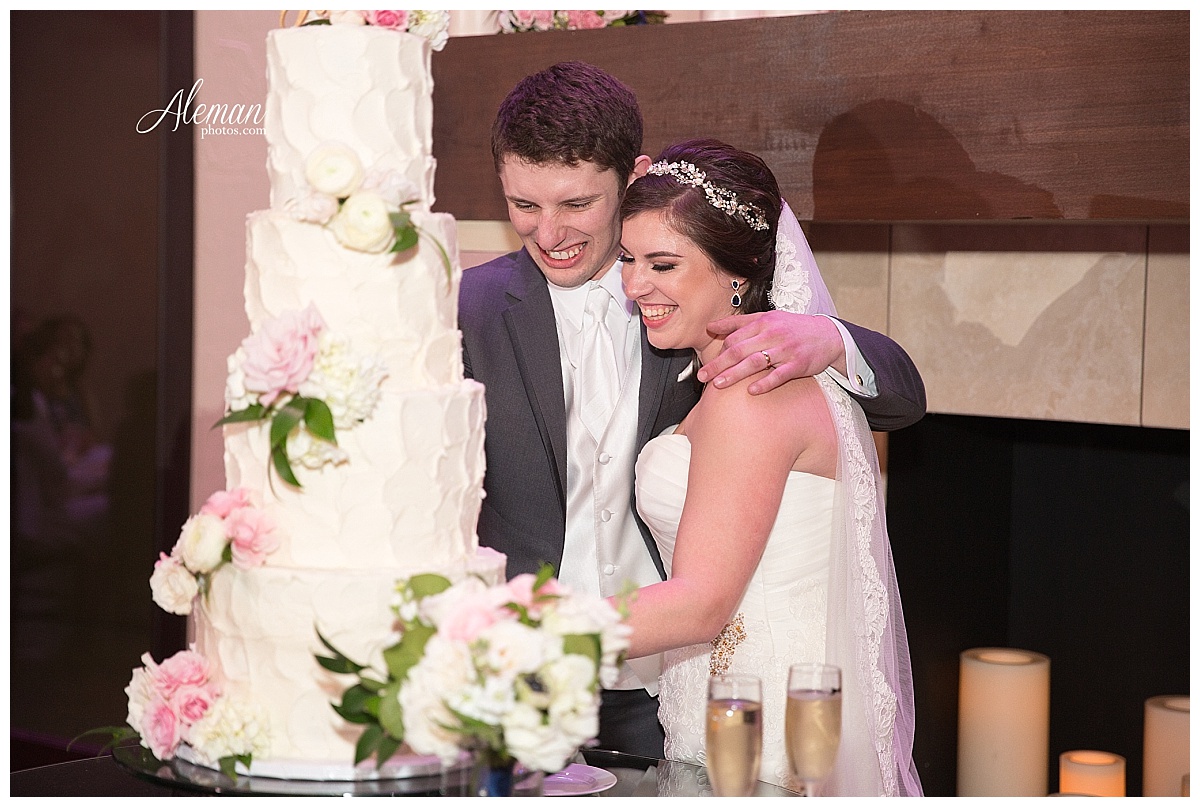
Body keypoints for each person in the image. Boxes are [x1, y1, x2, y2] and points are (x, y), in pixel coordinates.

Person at [457, 61, 925, 759]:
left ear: (634, 175)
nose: (547, 231)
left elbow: (901, 395)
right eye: (523, 204)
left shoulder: (699, 300)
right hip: (517, 695)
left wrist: (828, 338)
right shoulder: (468, 307)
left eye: (577, 204)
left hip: (669, 689)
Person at [614, 139, 921, 795]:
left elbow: (701, 603)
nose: (635, 284)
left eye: (662, 263)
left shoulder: (750, 393)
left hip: (766, 733)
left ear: (737, 272)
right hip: (721, 710)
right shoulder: (734, 373)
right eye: (628, 258)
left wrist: (529, 632)